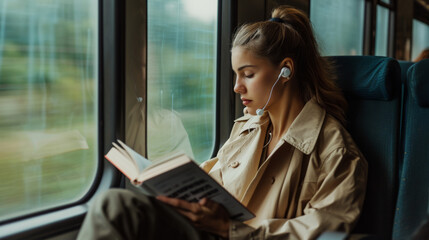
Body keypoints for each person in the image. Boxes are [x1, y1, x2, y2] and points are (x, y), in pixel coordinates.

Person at [77, 5, 367, 240]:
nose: (237, 87)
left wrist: (230, 229)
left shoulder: (336, 152)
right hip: (213, 232)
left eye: (248, 74)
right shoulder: (248, 128)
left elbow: (324, 231)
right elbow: (214, 180)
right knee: (116, 206)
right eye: (235, 75)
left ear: (286, 72)